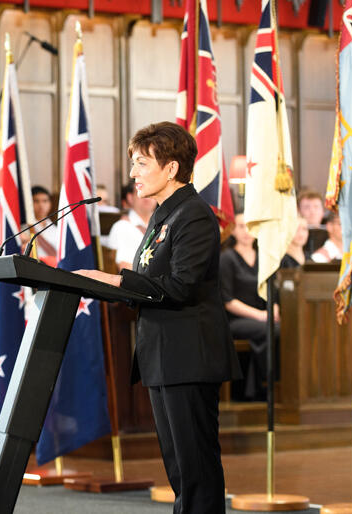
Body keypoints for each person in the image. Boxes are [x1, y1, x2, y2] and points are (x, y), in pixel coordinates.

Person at [74, 122, 241, 513]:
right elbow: (151, 280)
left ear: (171, 169)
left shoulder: (194, 215)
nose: (133, 173)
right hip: (163, 355)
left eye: (141, 163)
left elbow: (180, 285)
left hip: (189, 356)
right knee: (180, 470)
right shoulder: (164, 215)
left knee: (195, 467)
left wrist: (111, 279)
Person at [219, 214, 279, 401]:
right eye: (241, 227)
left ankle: (256, 388)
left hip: (262, 317)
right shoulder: (226, 258)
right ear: (233, 231)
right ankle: (266, 384)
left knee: (273, 330)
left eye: (250, 226)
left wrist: (274, 310)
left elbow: (272, 293)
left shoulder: (263, 257)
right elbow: (228, 301)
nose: (246, 232)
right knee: (269, 330)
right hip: (235, 320)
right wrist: (261, 316)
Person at [107, 180, 156, 271]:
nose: (147, 196)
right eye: (141, 190)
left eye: (151, 191)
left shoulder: (165, 224)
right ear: (130, 197)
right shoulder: (122, 227)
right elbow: (126, 268)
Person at [20, 186, 58, 266]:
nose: (41, 205)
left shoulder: (57, 230)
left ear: (50, 203)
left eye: (45, 201)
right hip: (32, 269)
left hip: (54, 270)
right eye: (36, 201)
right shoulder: (23, 229)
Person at [297, 189, 328, 255]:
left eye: (316, 207)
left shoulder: (333, 233)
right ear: (298, 211)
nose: (312, 211)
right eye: (307, 207)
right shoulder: (293, 236)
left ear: (323, 211)